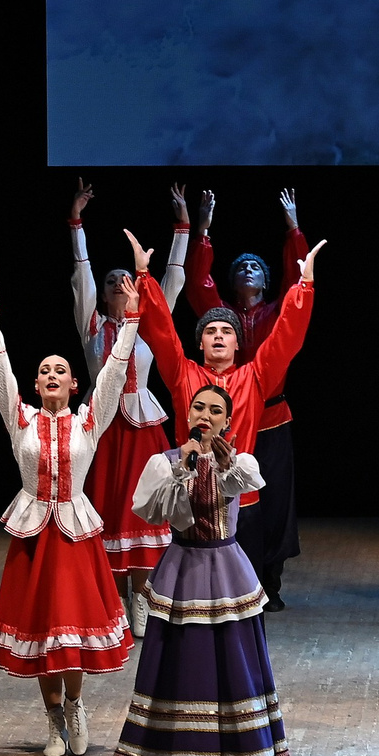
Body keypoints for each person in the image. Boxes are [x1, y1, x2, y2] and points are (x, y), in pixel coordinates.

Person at [99, 383, 297, 756]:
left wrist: (221, 466)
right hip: (185, 571)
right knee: (180, 668)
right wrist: (181, 471)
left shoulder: (238, 461)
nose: (205, 414)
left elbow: (246, 484)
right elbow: (152, 511)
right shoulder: (166, 463)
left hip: (226, 571)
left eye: (215, 410)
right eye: (198, 407)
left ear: (228, 420)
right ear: (188, 415)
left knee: (235, 666)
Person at [0, 263, 136, 756]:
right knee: (42, 633)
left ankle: (75, 706)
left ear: (73, 385)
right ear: (36, 383)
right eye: (44, 370)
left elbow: (113, 372)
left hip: (73, 536)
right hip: (32, 539)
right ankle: (52, 722)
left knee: (71, 633)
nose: (51, 375)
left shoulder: (89, 419)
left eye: (61, 371)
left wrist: (131, 320)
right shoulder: (19, 419)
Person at [134, 223, 322, 609]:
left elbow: (286, 337)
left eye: (226, 331)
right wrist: (144, 278)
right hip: (187, 501)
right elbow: (162, 332)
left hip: (240, 506)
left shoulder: (253, 377)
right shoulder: (183, 373)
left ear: (238, 342)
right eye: (210, 331)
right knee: (190, 599)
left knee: (242, 604)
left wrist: (304, 287)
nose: (218, 336)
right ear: (200, 340)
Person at [68, 177, 192, 632]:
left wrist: (182, 228)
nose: (119, 283)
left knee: (141, 510)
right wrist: (76, 222)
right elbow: (80, 274)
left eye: (126, 279)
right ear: (102, 294)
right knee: (105, 511)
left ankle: (141, 596)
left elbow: (172, 281)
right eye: (111, 281)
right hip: (101, 430)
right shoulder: (92, 326)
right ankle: (111, 602)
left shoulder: (147, 325)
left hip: (141, 429)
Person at [187, 188, 310, 610]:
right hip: (228, 421)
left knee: (273, 502)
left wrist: (294, 229)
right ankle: (225, 579)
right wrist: (202, 230)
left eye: (256, 266)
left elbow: (299, 288)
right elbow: (198, 284)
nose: (249, 270)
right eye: (241, 266)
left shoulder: (276, 312)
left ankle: (268, 582)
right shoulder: (220, 319)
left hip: (272, 419)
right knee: (221, 497)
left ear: (266, 279)